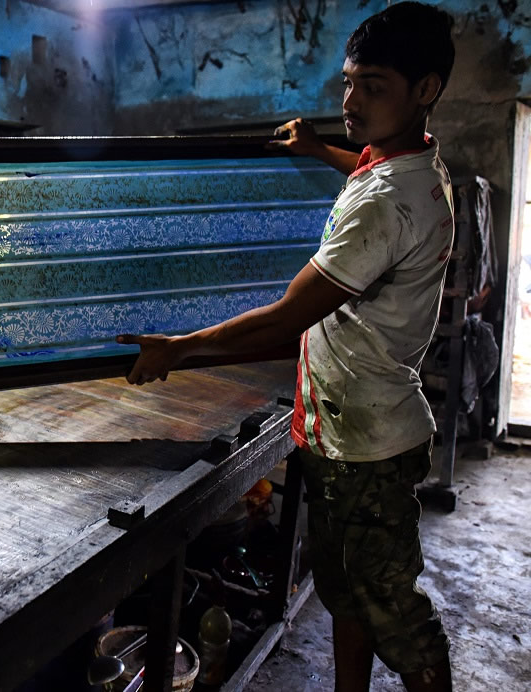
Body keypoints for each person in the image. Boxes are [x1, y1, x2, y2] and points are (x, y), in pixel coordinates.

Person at [116, 3, 455, 690]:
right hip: (348, 428)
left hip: (370, 447)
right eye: (348, 83)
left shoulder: (386, 202)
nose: (352, 102)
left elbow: (286, 319)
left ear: (427, 90)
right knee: (345, 592)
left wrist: (179, 348)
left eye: (375, 86)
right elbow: (365, 172)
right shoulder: (409, 168)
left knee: (398, 617)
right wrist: (316, 150)